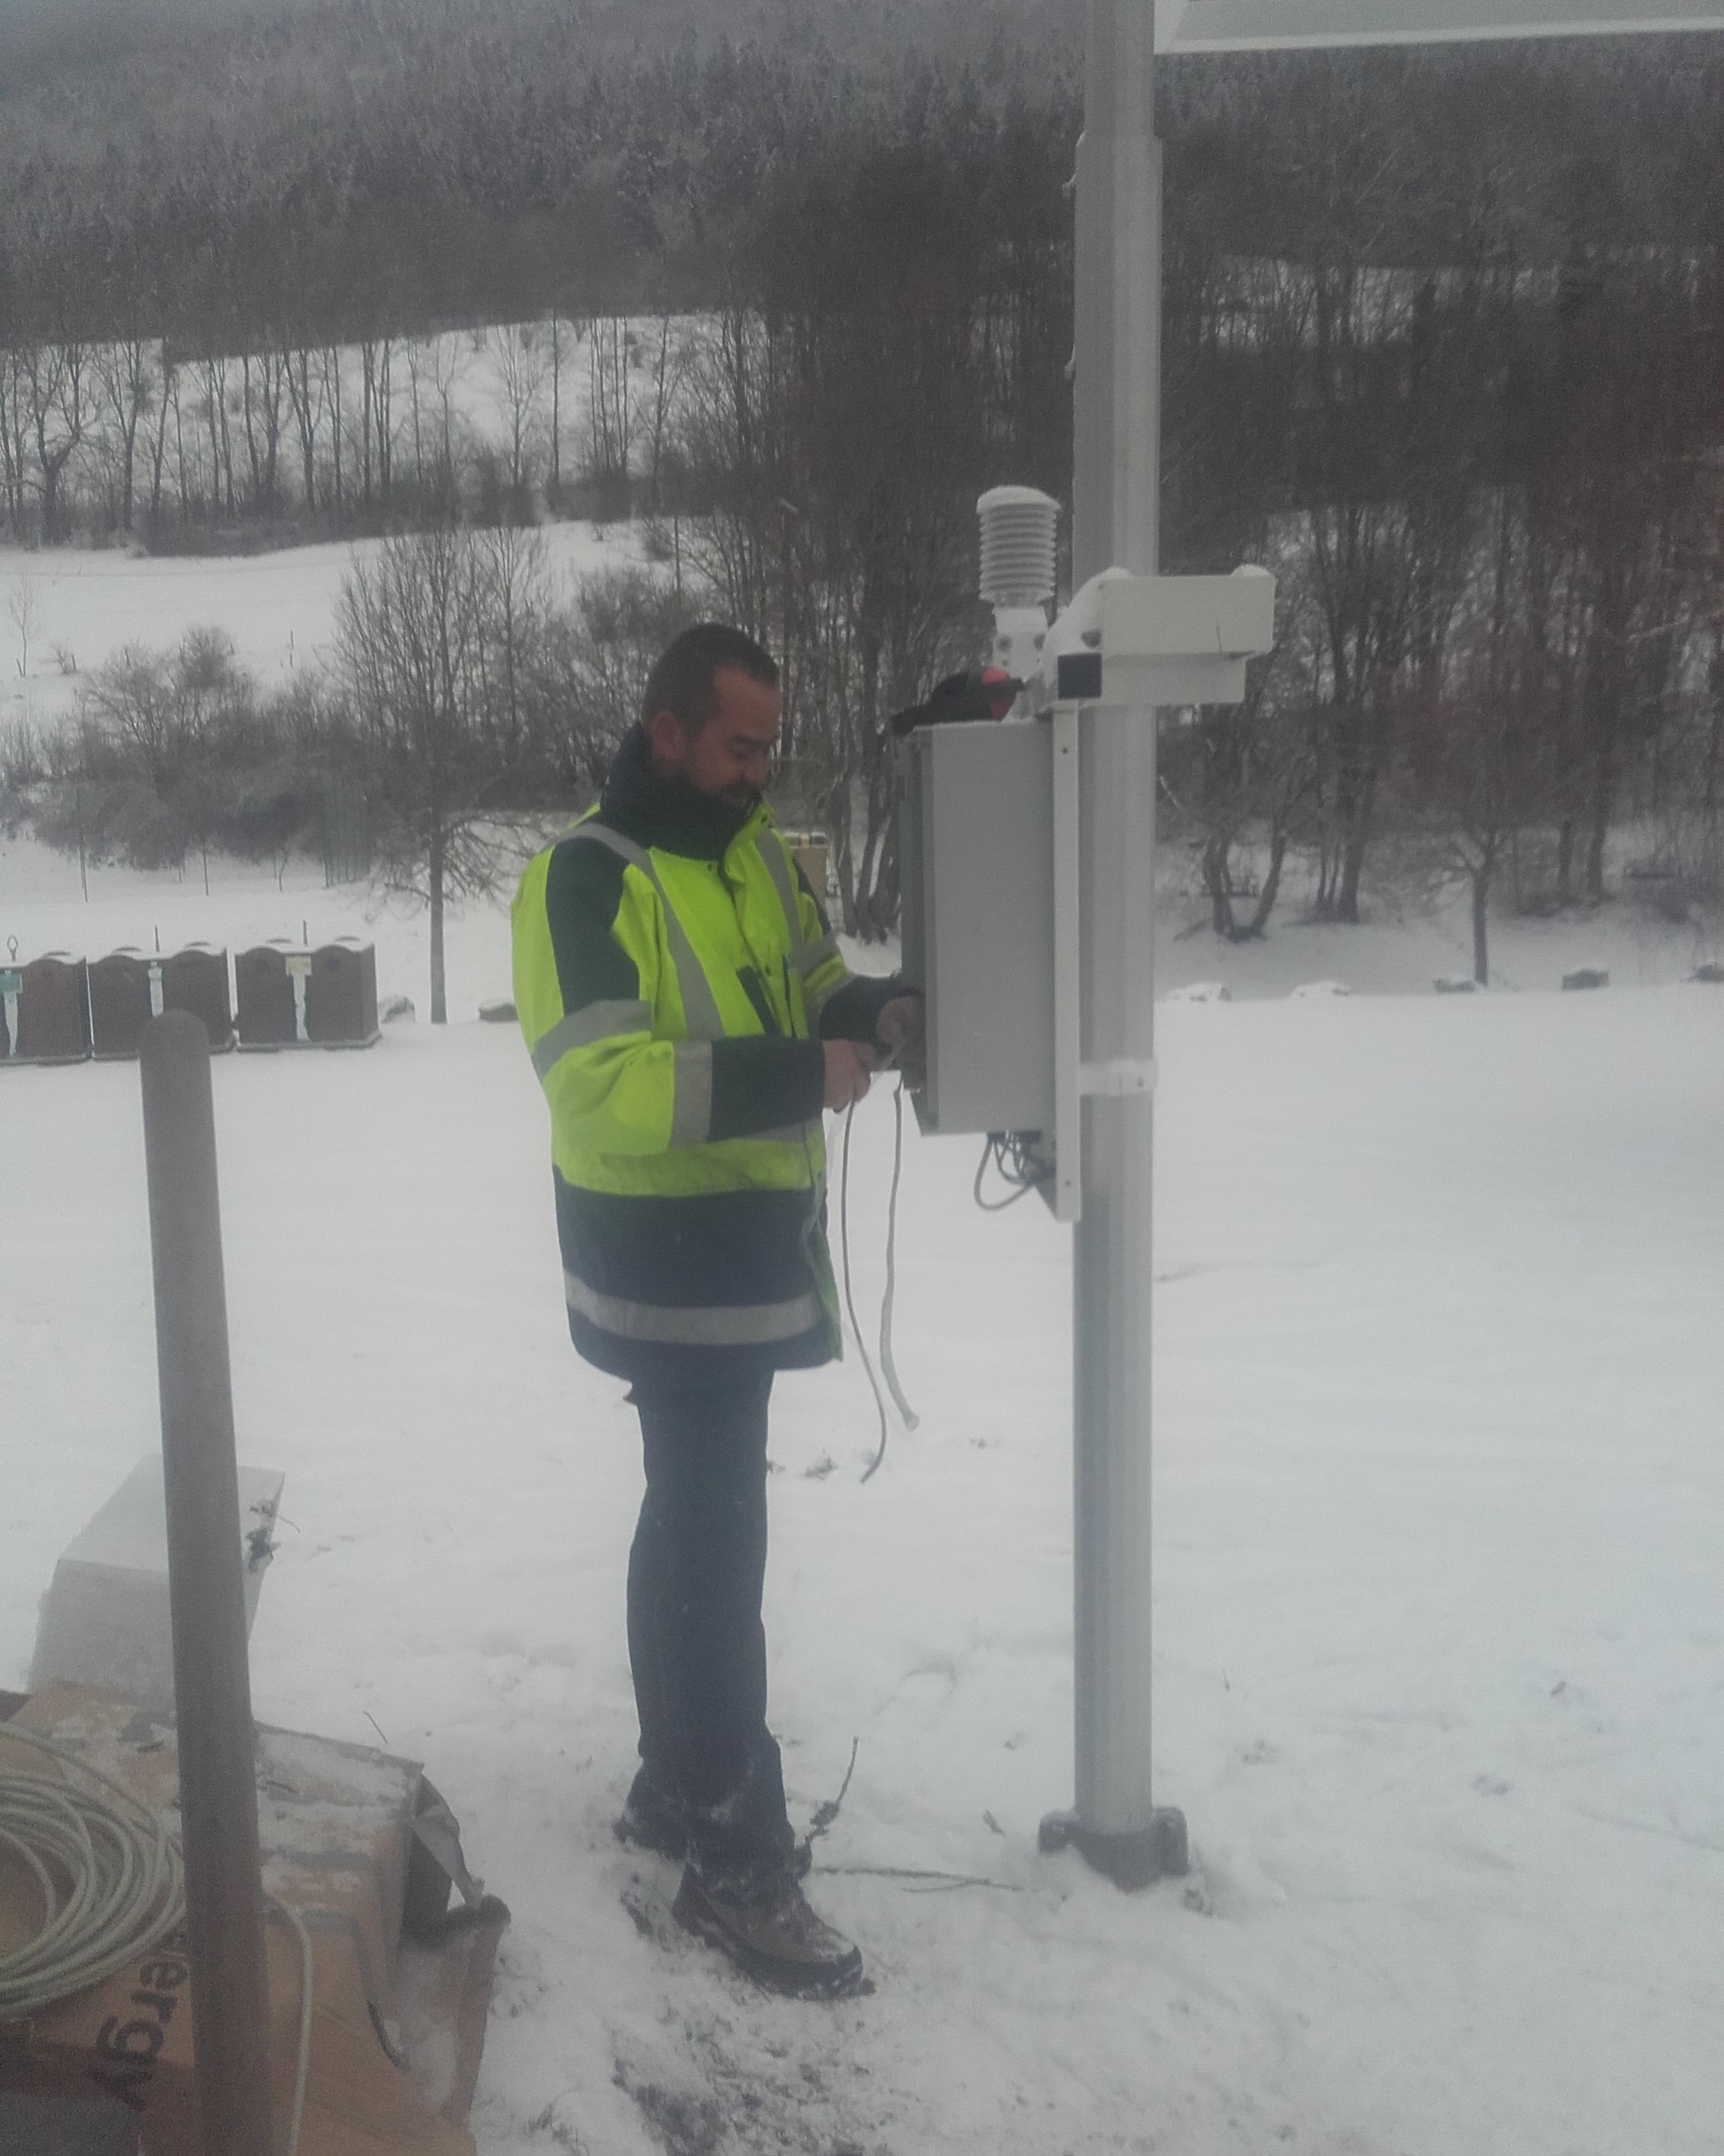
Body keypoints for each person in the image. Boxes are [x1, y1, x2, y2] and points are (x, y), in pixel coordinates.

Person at [511, 624, 922, 1998]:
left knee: (690, 1516)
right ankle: (734, 1857)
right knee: (713, 1544)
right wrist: (796, 1076)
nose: (760, 772)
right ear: (669, 728)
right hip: (657, 1261)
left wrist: (878, 1008)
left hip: (741, 1247)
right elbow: (604, 1083)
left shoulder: (753, 849)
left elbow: (803, 983)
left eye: (769, 747)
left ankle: (668, 1787)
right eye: (740, 745)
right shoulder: (582, 877)